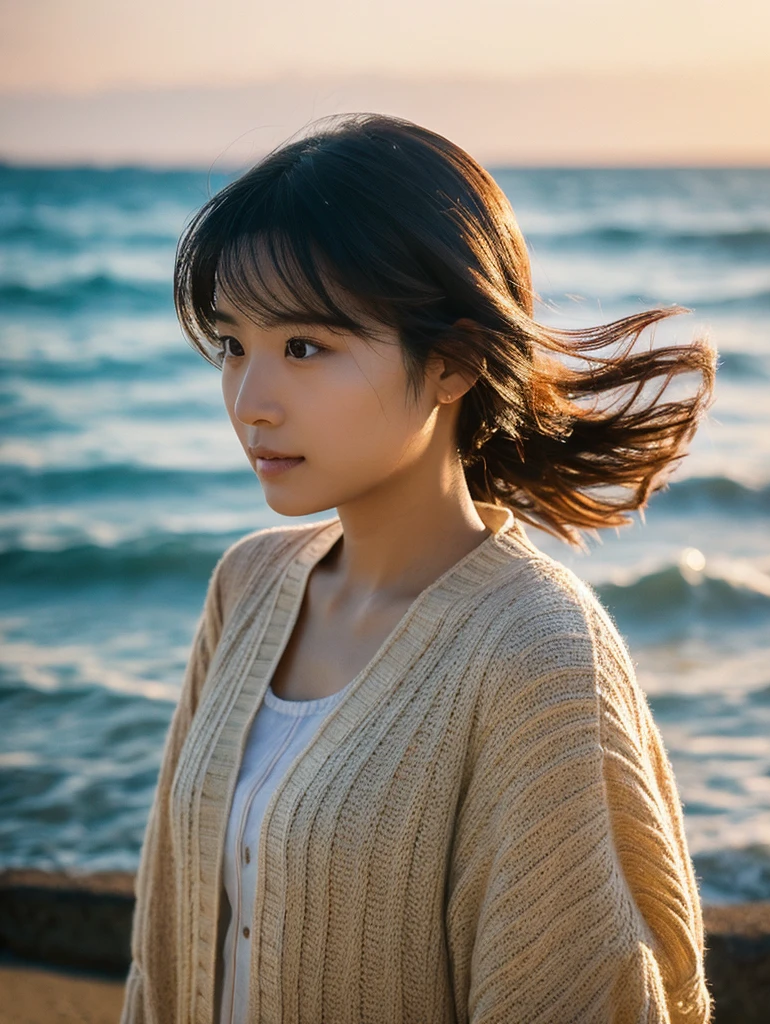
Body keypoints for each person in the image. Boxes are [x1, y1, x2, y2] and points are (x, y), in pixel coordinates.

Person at [119, 112, 717, 1024]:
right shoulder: (247, 588)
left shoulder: (533, 648)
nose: (250, 401)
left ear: (452, 362)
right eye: (234, 345)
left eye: (304, 348)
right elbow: (164, 961)